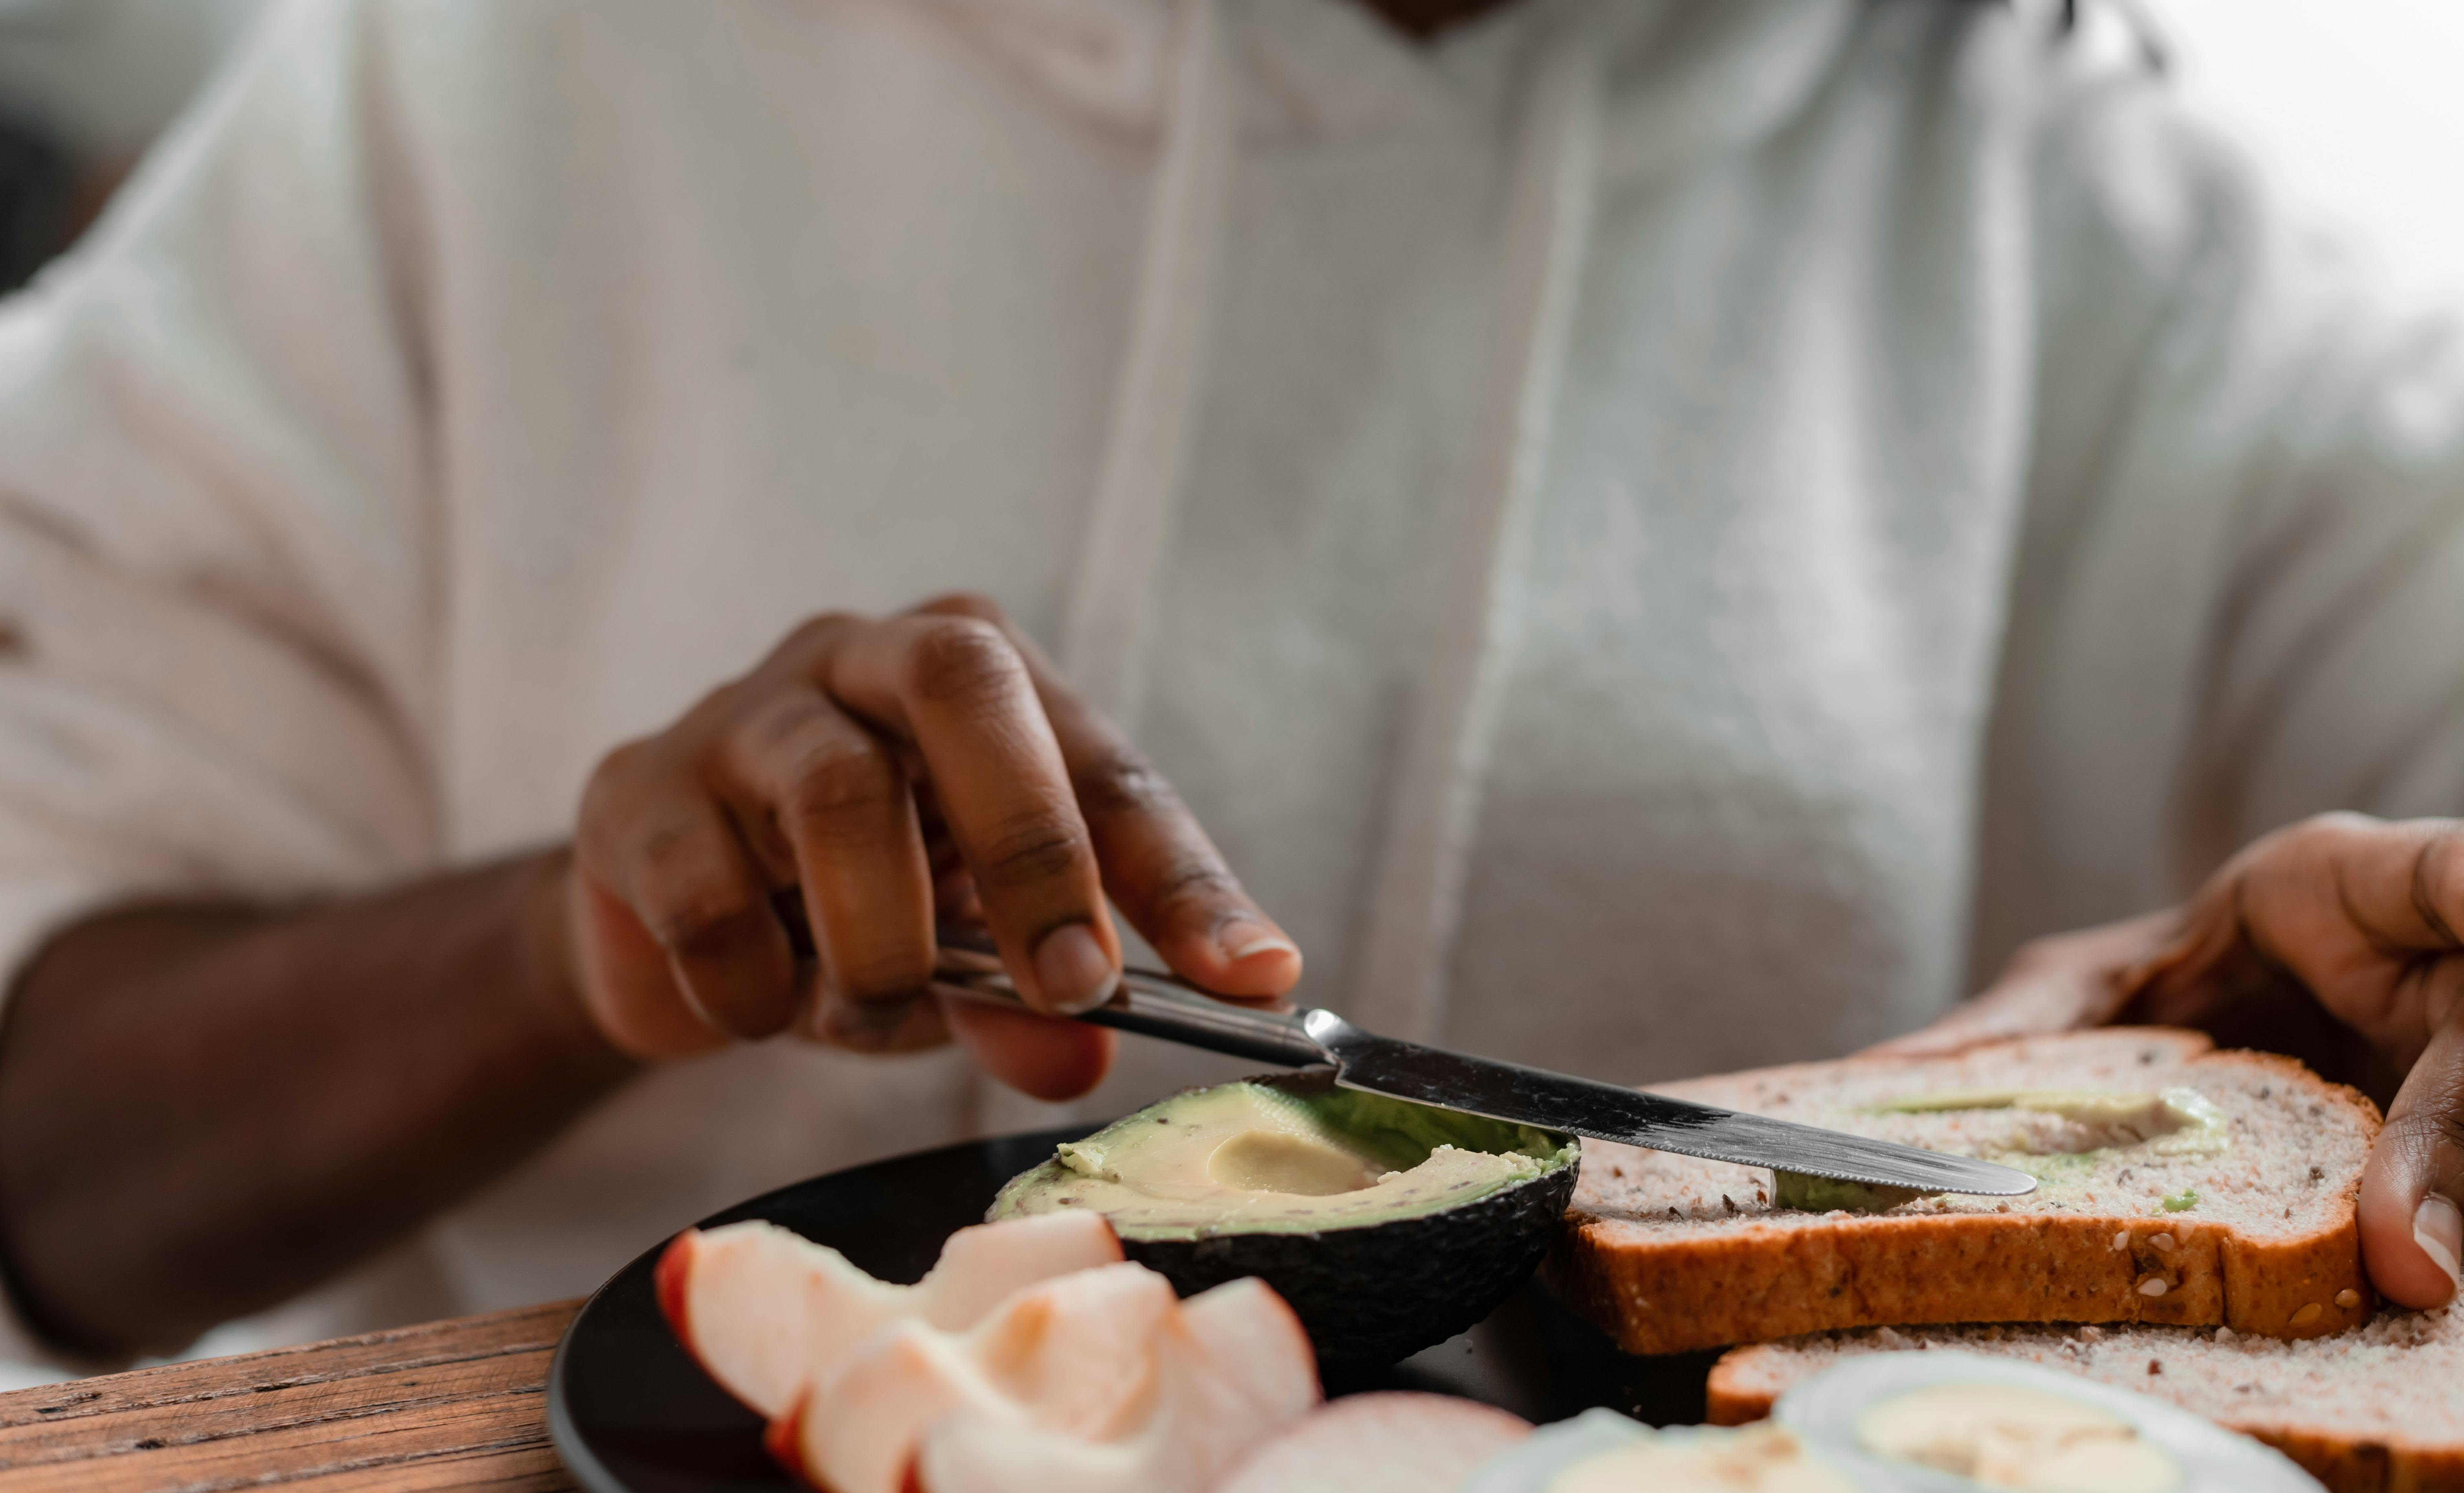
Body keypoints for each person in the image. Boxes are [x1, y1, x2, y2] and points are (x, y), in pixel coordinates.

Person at [0, 0, 2458, 1372]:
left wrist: (2368, 1005)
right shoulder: (489, 79)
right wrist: (571, 954)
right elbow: (61, 1168)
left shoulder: (2107, 223)